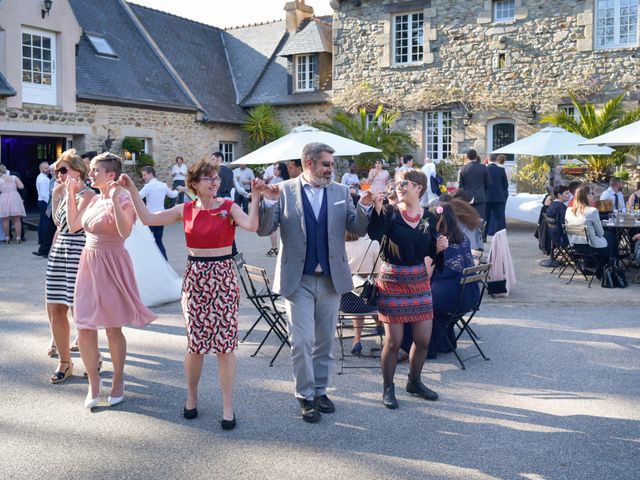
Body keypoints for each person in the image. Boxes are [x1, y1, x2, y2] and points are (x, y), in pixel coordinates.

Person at [120, 159, 265, 430]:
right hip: (196, 277)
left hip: (222, 276)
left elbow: (252, 225)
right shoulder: (184, 209)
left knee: (225, 347)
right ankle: (192, 395)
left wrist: (255, 197)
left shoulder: (228, 207)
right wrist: (130, 190)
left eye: (216, 178)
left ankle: (227, 405)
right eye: (208, 178)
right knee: (195, 344)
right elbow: (148, 218)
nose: (215, 182)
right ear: (194, 184)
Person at [256, 142, 372, 423]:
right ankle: (305, 396)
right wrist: (268, 202)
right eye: (326, 164)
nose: (332, 169)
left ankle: (321, 390)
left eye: (332, 164)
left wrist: (365, 208)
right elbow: (264, 229)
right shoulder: (282, 190)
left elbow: (356, 229)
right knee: (302, 341)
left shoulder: (341, 191)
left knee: (324, 341)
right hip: (299, 279)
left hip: (331, 279)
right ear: (309, 163)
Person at [67, 152, 157, 409]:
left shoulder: (125, 199)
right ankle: (93, 383)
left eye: (95, 170)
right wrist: (71, 192)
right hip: (89, 264)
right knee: (84, 326)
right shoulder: (92, 198)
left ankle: (118, 380)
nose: (90, 173)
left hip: (113, 263)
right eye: (91, 170)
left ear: (111, 175)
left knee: (112, 327)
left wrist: (117, 200)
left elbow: (125, 232)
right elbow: (74, 225)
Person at [367, 168, 448, 410]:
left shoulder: (430, 218)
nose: (400, 187)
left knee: (423, 340)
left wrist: (439, 248)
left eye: (406, 184)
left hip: (419, 280)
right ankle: (388, 387)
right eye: (398, 183)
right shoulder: (390, 213)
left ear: (419, 188)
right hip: (392, 281)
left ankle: (414, 381)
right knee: (394, 341)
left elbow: (429, 251)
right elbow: (373, 233)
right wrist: (378, 210)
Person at [45, 150, 95, 383]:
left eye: (63, 170)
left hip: (79, 253)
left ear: (79, 170)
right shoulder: (66, 193)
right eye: (57, 172)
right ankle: (65, 362)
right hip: (60, 251)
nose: (59, 175)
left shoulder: (88, 195)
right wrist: (58, 197)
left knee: (80, 311)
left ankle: (94, 356)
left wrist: (70, 194)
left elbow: (75, 227)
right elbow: (59, 224)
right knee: (56, 308)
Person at [428, 203, 480, 357]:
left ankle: (425, 347)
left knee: (419, 301)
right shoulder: (463, 238)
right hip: (470, 296)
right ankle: (444, 342)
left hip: (450, 299)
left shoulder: (437, 241)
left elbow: (427, 274)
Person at [342, 231, 381, 355]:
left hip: (345, 303)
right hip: (368, 299)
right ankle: (381, 326)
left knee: (357, 294)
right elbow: (378, 272)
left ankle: (357, 339)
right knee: (368, 294)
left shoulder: (340, 245)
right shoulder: (372, 244)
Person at [566, 185, 618, 266]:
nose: (593, 196)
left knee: (609, 236)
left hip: (575, 244)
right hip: (590, 245)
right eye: (592, 193)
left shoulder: (569, 210)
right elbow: (600, 233)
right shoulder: (592, 211)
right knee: (612, 236)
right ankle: (612, 266)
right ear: (586, 196)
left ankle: (602, 265)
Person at [139, 166, 180, 260]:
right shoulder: (163, 185)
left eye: (144, 175)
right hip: (161, 218)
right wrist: (178, 190)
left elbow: (138, 197)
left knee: (148, 242)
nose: (143, 177)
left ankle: (151, 261)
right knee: (158, 241)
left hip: (150, 218)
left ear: (151, 174)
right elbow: (173, 195)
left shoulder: (148, 186)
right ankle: (164, 263)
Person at [458, 149, 491, 221]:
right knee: (480, 218)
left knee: (468, 219)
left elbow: (460, 185)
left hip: (467, 196)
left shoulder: (463, 168)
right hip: (480, 195)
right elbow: (489, 183)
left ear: (467, 157)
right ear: (476, 156)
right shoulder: (483, 167)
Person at [266, 162, 289, 256]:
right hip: (282, 205)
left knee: (272, 227)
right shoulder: (284, 180)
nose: (274, 170)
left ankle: (274, 247)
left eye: (276, 168)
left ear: (280, 171)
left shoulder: (278, 180)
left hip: (276, 205)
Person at [0, 164, 26, 244]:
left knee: (5, 220)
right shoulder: (14, 177)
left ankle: (7, 237)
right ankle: (18, 237)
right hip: (15, 197)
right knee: (17, 219)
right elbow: (21, 186)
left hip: (4, 197)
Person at [485, 153, 509, 236]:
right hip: (499, 197)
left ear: (488, 159)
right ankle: (499, 236)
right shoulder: (501, 170)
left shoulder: (485, 169)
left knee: (486, 218)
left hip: (487, 197)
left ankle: (483, 236)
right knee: (499, 218)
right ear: (496, 160)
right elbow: (505, 186)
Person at [36, 161, 51, 247]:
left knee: (43, 221)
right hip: (44, 201)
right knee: (45, 222)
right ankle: (43, 240)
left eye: (48, 167)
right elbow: (44, 193)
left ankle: (41, 240)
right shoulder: (42, 179)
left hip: (42, 201)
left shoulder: (44, 177)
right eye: (46, 168)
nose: (48, 169)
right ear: (41, 169)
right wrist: (49, 205)